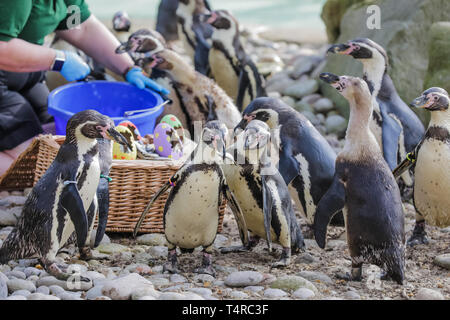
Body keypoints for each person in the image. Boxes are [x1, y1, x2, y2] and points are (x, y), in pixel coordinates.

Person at [0, 0, 169, 176]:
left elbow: (82, 29)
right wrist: (58, 60)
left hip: (26, 74)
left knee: (58, 140)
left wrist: (129, 68)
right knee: (37, 166)